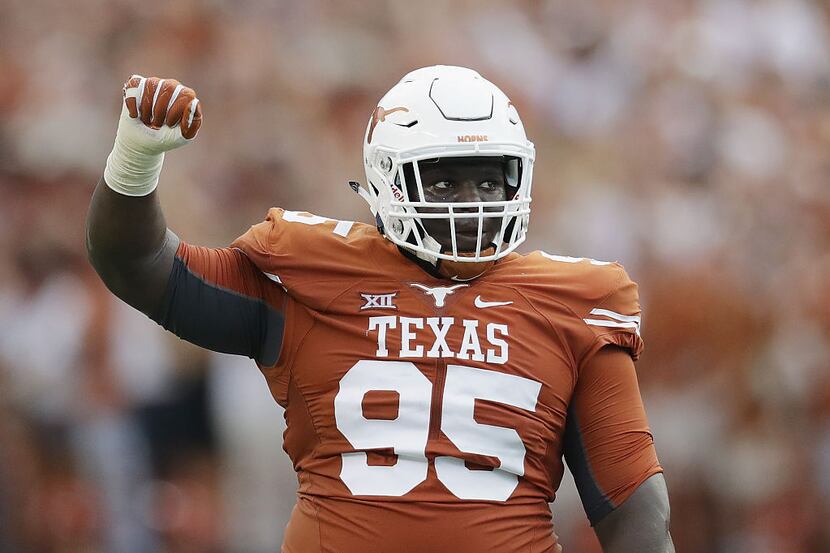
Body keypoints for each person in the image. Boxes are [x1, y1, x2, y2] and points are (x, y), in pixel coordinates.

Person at [87, 65, 674, 553]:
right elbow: (141, 268)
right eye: (444, 184)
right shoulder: (313, 275)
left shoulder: (573, 304)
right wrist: (136, 160)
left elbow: (631, 505)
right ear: (387, 180)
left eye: (489, 182)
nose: (472, 204)